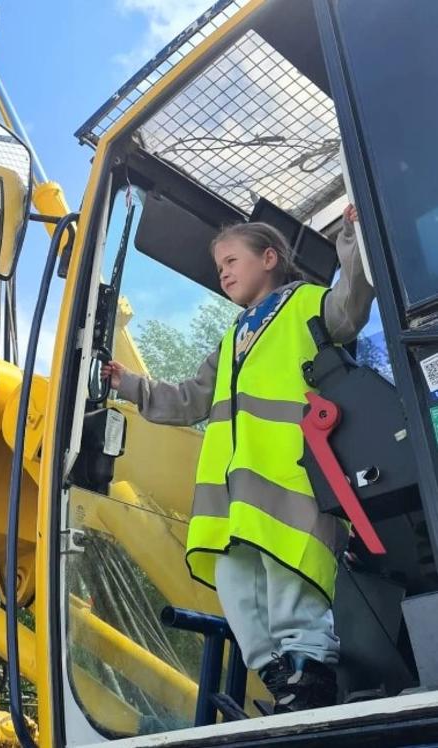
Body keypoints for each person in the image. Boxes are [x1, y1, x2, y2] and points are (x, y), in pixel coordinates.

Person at [102, 204, 373, 713]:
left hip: (289, 481)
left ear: (269, 258)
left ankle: (311, 673)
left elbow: (350, 307)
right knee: (238, 590)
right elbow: (187, 399)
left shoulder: (304, 306)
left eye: (231, 260)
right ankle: (281, 680)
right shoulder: (230, 341)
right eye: (219, 265)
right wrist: (129, 385)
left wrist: (353, 241)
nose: (222, 271)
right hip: (231, 501)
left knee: (290, 581)